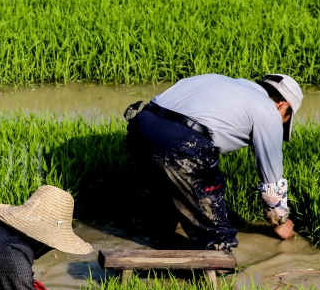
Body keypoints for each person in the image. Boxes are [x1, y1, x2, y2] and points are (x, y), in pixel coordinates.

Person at [125, 73, 304, 250]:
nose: (280, 125)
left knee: (169, 199)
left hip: (140, 128)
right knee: (216, 235)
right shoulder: (267, 110)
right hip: (180, 142)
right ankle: (217, 272)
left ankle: (159, 244)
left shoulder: (221, 82)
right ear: (283, 105)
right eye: (285, 120)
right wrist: (279, 221)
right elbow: (271, 178)